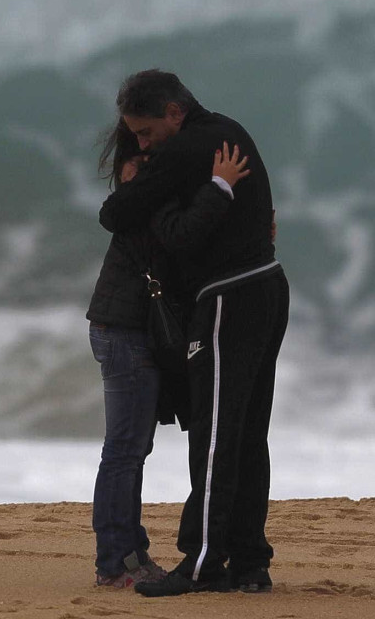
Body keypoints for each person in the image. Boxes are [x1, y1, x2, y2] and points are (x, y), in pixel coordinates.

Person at [97, 69, 289, 597]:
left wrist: (143, 185)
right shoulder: (229, 131)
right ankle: (250, 563)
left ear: (174, 113)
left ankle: (202, 564)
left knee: (214, 436)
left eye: (145, 131)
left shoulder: (184, 151)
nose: (143, 143)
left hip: (231, 295)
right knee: (247, 433)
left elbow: (114, 213)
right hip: (269, 287)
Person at [85, 121, 253, 590]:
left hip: (124, 329)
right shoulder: (141, 186)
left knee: (130, 449)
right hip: (125, 331)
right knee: (124, 451)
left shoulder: (141, 184)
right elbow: (180, 237)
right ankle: (116, 562)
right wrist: (219, 187)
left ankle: (126, 551)